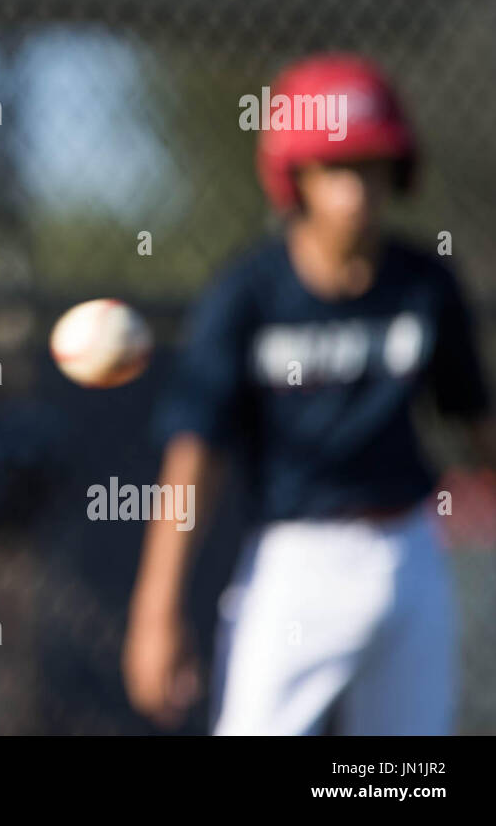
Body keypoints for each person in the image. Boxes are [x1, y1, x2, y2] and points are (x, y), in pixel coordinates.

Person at [122, 53, 496, 735]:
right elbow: (193, 456)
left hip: (409, 548)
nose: (356, 188)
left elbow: (479, 426)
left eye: (371, 165)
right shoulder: (247, 295)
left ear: (398, 172)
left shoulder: (425, 286)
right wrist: (157, 610)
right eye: (336, 167)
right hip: (296, 564)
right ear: (295, 177)